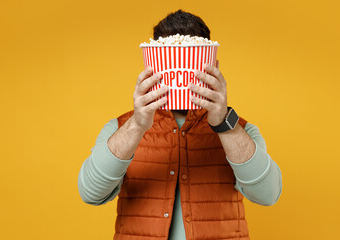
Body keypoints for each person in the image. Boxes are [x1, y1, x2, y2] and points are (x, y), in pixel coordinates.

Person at [78, 9, 282, 240]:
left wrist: (225, 124)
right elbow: (90, 193)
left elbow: (268, 195)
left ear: (213, 66)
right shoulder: (121, 128)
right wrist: (137, 125)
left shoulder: (239, 129)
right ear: (151, 66)